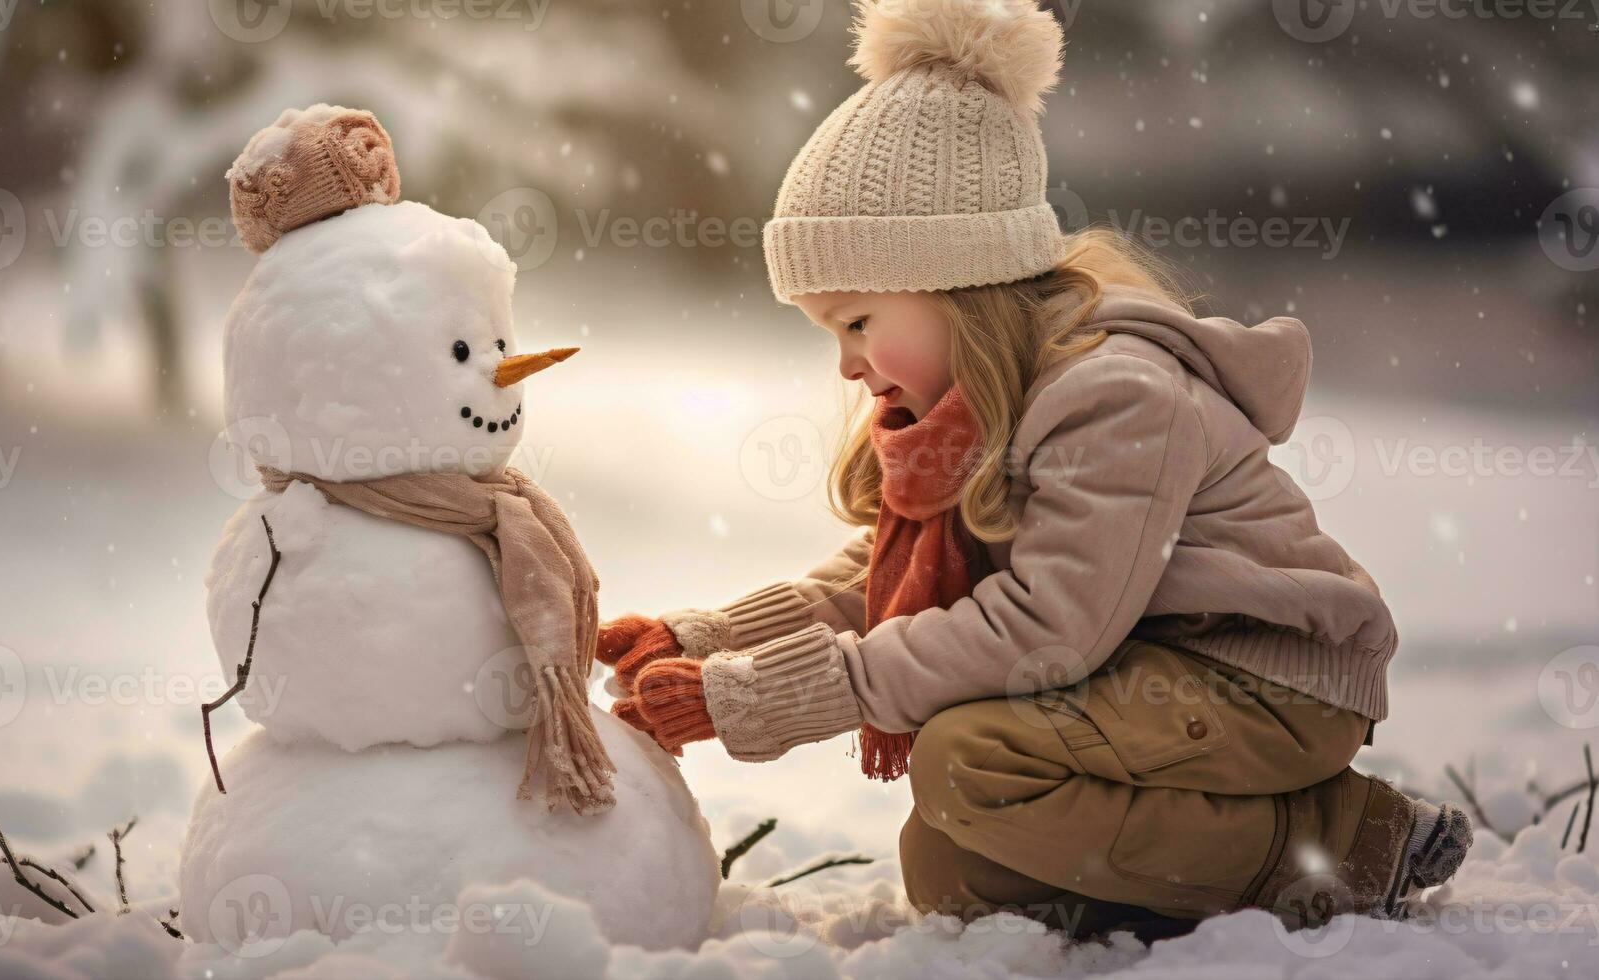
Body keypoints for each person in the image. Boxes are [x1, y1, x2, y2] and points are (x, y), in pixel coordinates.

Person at [600, 0, 1470, 939]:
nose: (847, 365)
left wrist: (782, 694)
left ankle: (1346, 841)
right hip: (1147, 669)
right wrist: (711, 637)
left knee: (967, 760)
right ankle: (1204, 888)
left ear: (958, 286)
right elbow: (884, 579)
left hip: (1259, 678)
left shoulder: (1112, 397)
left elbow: (1046, 626)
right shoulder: (974, 407)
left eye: (857, 321)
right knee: (953, 868)